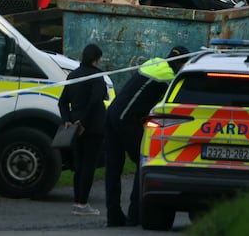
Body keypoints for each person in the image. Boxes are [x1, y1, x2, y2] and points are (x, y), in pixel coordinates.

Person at [103, 45, 190, 227]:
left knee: (113, 168)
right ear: (180, 64)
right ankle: (135, 214)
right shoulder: (169, 77)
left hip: (112, 114)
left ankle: (113, 216)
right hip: (125, 120)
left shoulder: (154, 63)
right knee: (143, 163)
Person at [58, 43, 108, 216]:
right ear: (96, 59)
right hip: (93, 127)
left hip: (73, 126)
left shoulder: (73, 75)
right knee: (89, 165)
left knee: (78, 165)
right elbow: (95, 101)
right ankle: (82, 203)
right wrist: (83, 122)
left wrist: (67, 121)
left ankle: (76, 202)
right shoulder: (97, 76)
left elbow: (62, 102)